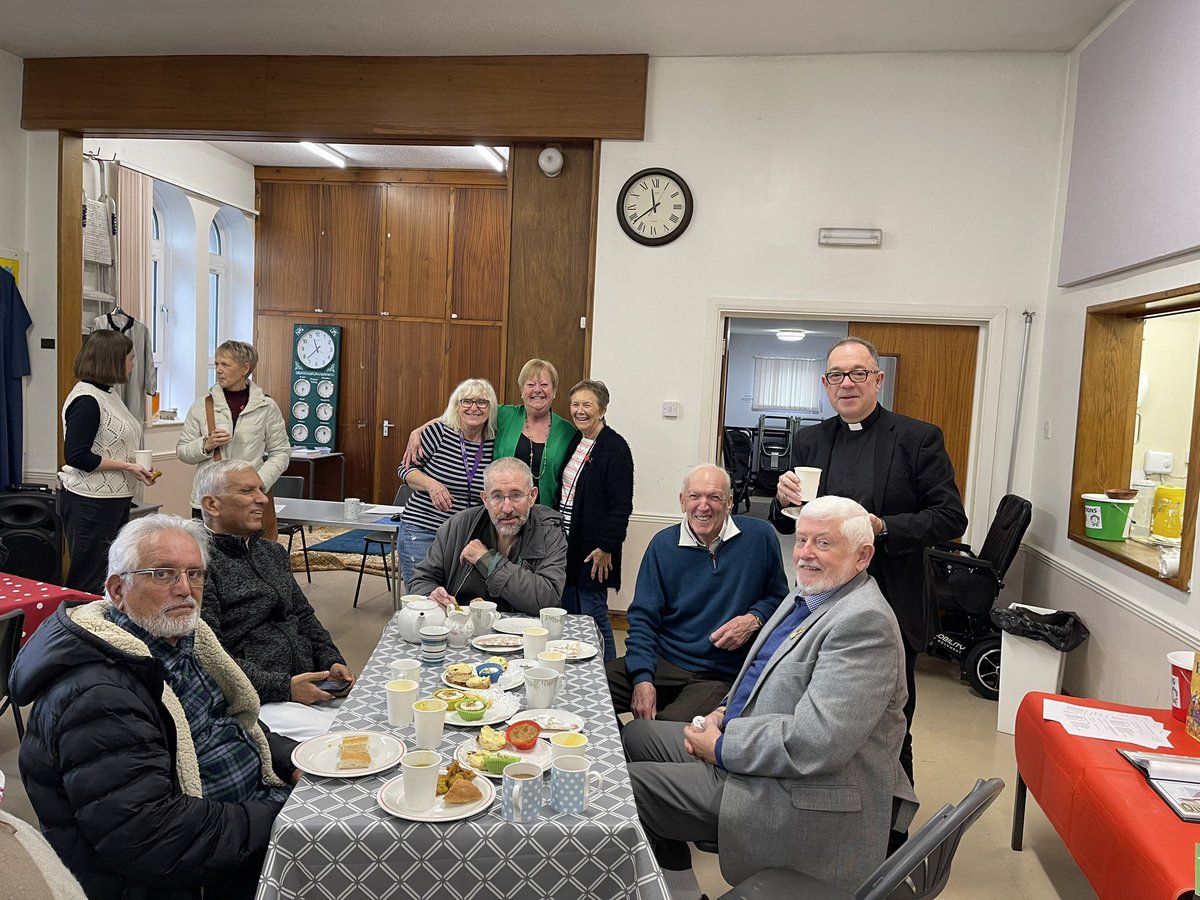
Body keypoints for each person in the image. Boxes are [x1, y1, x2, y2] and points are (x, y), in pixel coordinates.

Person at [625, 496, 916, 897]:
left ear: (863, 555)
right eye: (801, 541)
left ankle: (672, 886)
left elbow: (818, 742)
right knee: (636, 736)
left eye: (823, 544)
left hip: (799, 790)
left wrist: (723, 747)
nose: (805, 554)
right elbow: (764, 677)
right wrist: (723, 713)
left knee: (623, 789)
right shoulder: (811, 596)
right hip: (754, 748)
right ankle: (677, 881)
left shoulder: (864, 624)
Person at [9, 514, 296, 900]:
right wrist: (287, 812)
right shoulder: (97, 696)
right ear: (117, 589)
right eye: (163, 574)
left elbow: (231, 724)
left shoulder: (181, 642)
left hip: (241, 818)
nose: (185, 589)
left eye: (195, 574)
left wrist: (295, 761)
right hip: (185, 875)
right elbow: (156, 839)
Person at [768, 336, 967, 820]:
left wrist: (882, 527)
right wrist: (782, 499)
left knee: (889, 724)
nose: (847, 383)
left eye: (858, 373)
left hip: (892, 602)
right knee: (820, 716)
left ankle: (891, 830)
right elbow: (788, 521)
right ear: (825, 384)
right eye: (837, 375)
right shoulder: (810, 439)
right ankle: (824, 816)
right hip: (822, 605)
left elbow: (949, 518)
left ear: (878, 380)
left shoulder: (918, 437)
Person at [607, 464, 789, 723]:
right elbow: (643, 620)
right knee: (585, 693)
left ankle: (635, 751)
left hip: (717, 673)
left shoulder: (760, 538)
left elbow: (781, 598)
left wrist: (754, 618)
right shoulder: (662, 545)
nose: (703, 506)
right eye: (694, 496)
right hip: (664, 661)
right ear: (682, 502)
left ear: (729, 503)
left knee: (659, 733)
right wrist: (643, 679)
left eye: (714, 497)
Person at [198, 459, 357, 739]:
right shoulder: (197, 566)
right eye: (248, 491)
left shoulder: (271, 553)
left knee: (386, 711)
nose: (262, 498)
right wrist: (284, 687)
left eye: (261, 489)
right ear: (212, 505)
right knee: (347, 740)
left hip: (309, 684)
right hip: (261, 700)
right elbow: (210, 655)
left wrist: (331, 660)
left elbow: (305, 616)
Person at [403, 358, 576, 507]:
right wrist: (418, 431)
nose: (537, 390)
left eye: (544, 384)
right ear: (521, 391)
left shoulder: (567, 431)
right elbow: (466, 413)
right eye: (530, 384)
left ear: (554, 391)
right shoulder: (505, 415)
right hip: (503, 511)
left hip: (544, 515)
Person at [59, 329, 154, 594]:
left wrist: (135, 465)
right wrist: (127, 467)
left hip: (113, 499)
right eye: (131, 358)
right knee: (88, 578)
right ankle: (78, 631)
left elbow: (114, 443)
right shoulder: (87, 399)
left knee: (110, 575)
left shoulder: (108, 394)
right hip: (90, 501)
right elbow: (77, 456)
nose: (133, 364)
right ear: (112, 360)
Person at [409, 457, 567, 613]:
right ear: (485, 499)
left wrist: (488, 562)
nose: (507, 508)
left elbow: (549, 599)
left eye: (516, 495)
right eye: (497, 496)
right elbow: (421, 579)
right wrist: (431, 597)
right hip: (464, 628)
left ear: (532, 496)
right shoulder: (458, 526)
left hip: (525, 632)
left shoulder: (549, 530)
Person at [177, 339, 290, 533]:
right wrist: (206, 444)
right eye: (217, 364)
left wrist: (258, 483)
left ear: (245, 368)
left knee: (250, 557)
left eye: (225, 365)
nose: (219, 370)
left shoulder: (266, 406)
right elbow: (183, 451)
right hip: (209, 499)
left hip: (249, 502)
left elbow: (281, 452)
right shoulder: (202, 406)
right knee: (206, 557)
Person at [558, 379, 634, 663]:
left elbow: (621, 505)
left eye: (587, 404)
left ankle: (609, 678)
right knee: (569, 617)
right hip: (567, 546)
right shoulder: (577, 440)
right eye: (575, 404)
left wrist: (607, 547)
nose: (580, 410)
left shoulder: (615, 448)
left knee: (595, 618)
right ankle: (577, 671)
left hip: (594, 551)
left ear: (601, 409)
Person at [396, 377, 497, 587]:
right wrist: (432, 484)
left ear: (491, 408)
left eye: (482, 402)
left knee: (456, 598)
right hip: (423, 530)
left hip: (465, 537)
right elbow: (405, 469)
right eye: (466, 401)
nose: (474, 408)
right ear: (456, 405)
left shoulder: (494, 441)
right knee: (423, 596)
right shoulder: (439, 432)